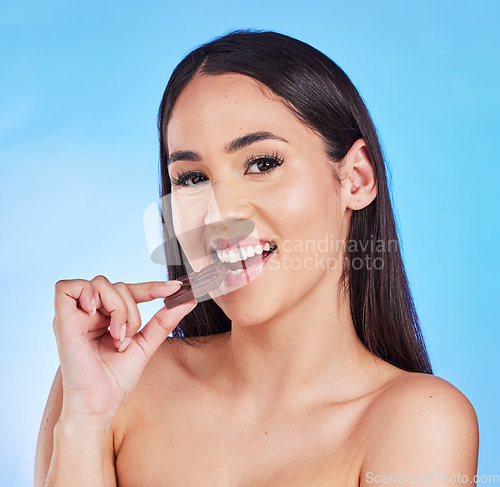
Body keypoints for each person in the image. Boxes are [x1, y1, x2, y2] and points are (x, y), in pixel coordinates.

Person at [35, 30, 479, 486]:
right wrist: (87, 421)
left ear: (356, 178)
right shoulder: (109, 383)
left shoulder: (418, 422)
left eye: (262, 164)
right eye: (191, 179)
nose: (219, 215)